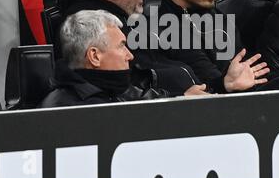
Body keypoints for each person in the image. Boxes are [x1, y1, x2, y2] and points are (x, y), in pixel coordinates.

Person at [62, 0, 206, 96]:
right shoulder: (90, 27)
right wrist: (178, 99)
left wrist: (221, 83)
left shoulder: (132, 18)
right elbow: (122, 89)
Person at [40, 10, 206, 108]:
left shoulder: (112, 89)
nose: (130, 55)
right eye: (121, 46)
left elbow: (145, 100)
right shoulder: (64, 112)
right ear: (95, 56)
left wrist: (182, 99)